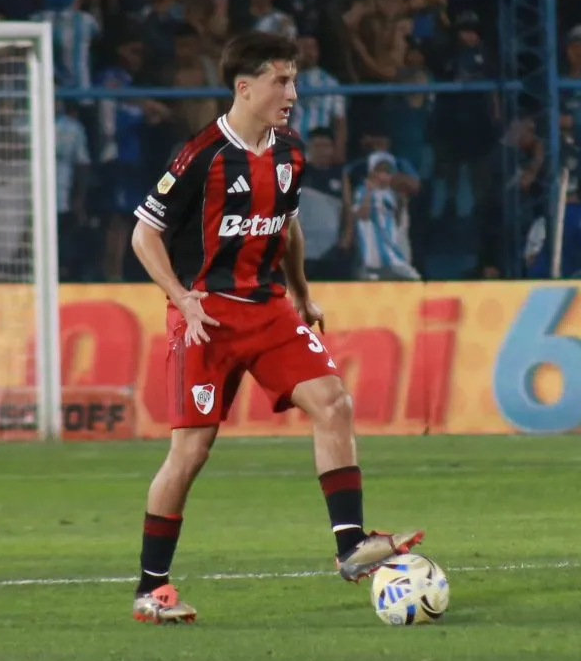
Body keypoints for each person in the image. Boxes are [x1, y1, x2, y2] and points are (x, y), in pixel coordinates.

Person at [128, 31, 424, 625]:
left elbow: (286, 226)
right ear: (245, 87)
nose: (292, 94)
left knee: (334, 402)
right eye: (281, 81)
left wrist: (303, 292)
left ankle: (349, 546)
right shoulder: (202, 155)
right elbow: (144, 234)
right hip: (207, 316)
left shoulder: (289, 150)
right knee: (191, 452)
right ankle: (151, 588)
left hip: (269, 310)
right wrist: (182, 299)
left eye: (294, 81)